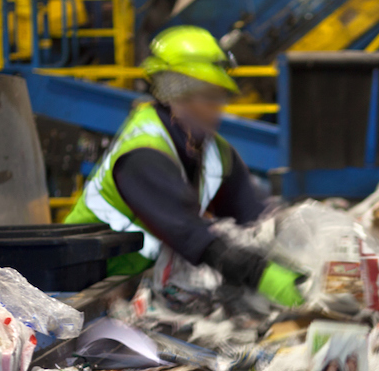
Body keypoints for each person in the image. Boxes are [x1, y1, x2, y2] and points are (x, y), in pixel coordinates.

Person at [64, 26, 304, 306]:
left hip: (141, 288)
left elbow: (253, 214)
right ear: (178, 96)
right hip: (86, 291)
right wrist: (264, 276)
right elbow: (192, 235)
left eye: (220, 97)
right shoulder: (144, 153)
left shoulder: (213, 150)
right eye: (210, 96)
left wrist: (299, 243)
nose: (219, 107)